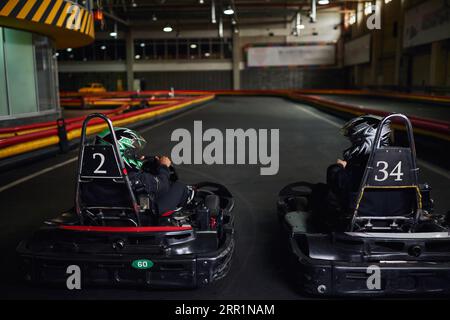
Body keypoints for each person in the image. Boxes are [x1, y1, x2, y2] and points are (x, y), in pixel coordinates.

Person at [310, 115, 391, 228]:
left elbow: (340, 184)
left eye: (356, 142)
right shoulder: (404, 160)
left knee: (319, 191)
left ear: (368, 138)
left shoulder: (363, 165)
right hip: (395, 213)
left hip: (361, 214)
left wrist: (339, 168)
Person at [95, 127, 192, 216]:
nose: (136, 156)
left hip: (98, 217)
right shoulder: (132, 177)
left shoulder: (86, 177)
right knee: (179, 186)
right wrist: (164, 166)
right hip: (137, 219)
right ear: (123, 152)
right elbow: (162, 184)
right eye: (132, 153)